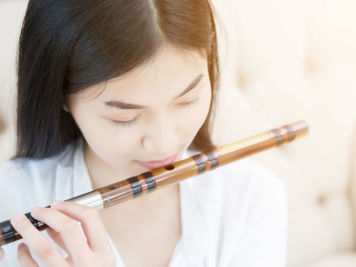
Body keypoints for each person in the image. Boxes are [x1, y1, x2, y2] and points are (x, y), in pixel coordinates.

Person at [0, 0, 288, 266]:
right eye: (125, 117)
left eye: (186, 100)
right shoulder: (10, 196)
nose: (165, 142)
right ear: (61, 96)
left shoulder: (251, 196)